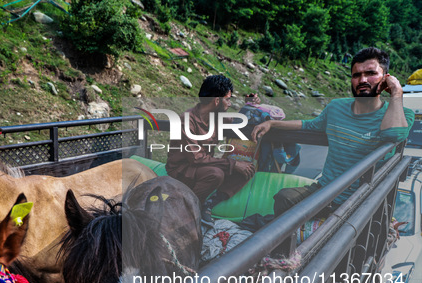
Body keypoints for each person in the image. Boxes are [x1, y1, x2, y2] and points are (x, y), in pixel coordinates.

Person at [251, 47, 415, 217]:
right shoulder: (336, 107)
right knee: (284, 198)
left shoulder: (402, 114)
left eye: (371, 73)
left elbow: (393, 135)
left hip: (362, 200)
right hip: (325, 191)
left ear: (386, 78)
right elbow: (310, 125)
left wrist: (397, 92)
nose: (362, 80)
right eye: (356, 75)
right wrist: (272, 124)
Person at [165, 75, 256, 224]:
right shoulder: (186, 120)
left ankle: (209, 203)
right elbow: (195, 158)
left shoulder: (217, 116)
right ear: (216, 101)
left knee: (247, 168)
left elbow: (239, 120)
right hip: (182, 168)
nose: (229, 103)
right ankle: (190, 207)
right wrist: (232, 164)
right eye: (228, 99)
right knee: (216, 174)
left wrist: (249, 105)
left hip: (203, 165)